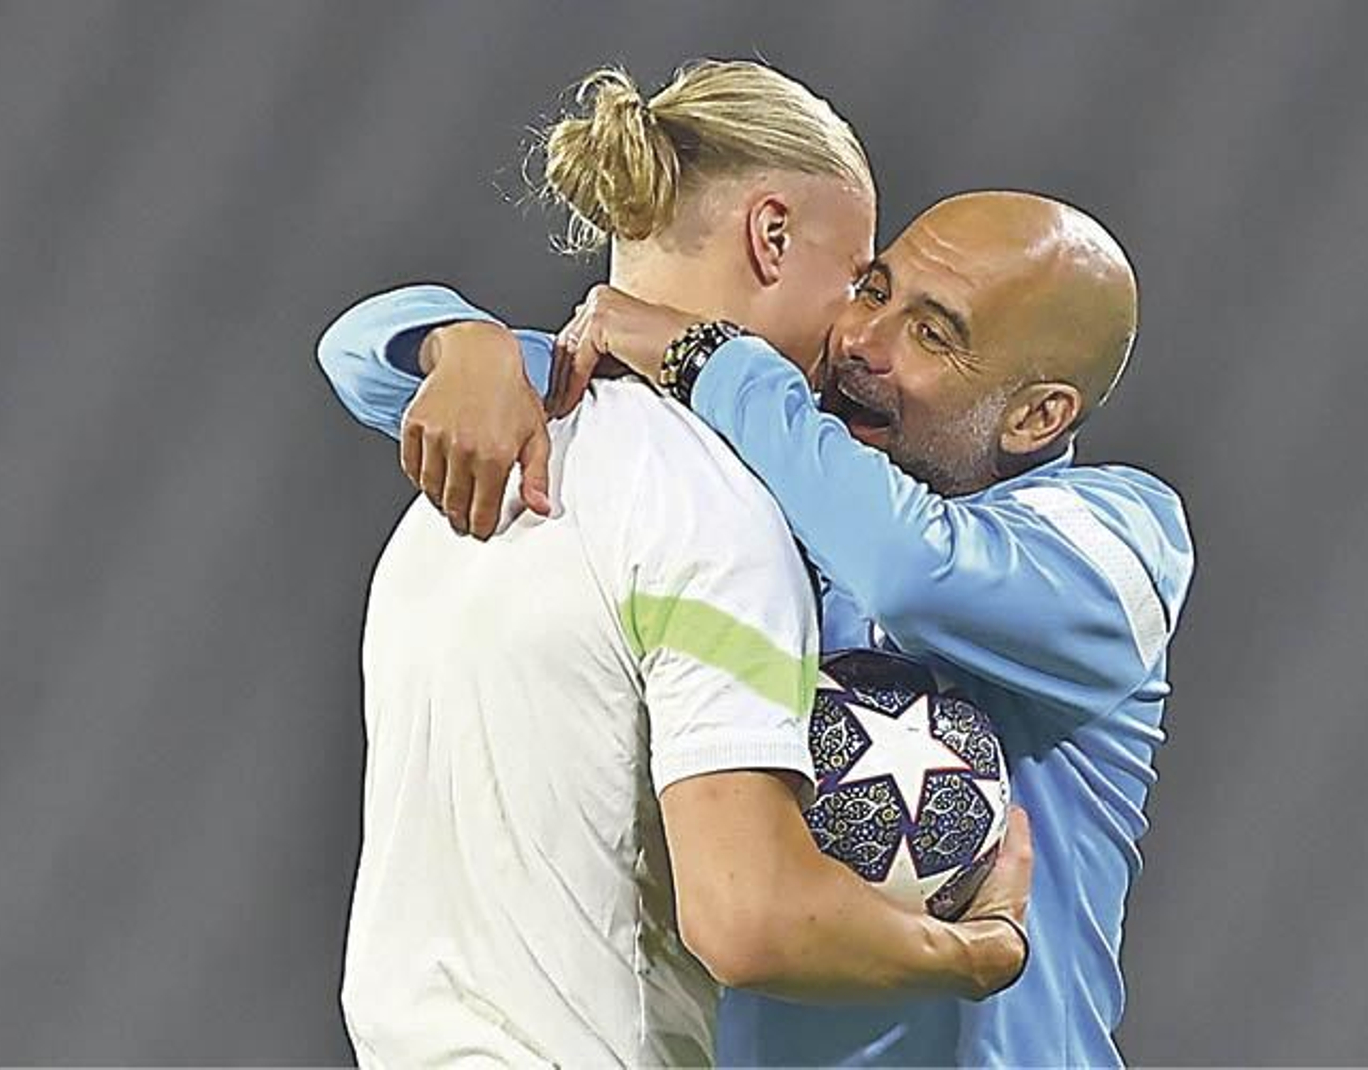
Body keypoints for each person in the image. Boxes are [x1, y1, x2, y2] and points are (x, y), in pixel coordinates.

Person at [323, 60, 1031, 1069]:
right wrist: (968, 949)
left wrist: (460, 340)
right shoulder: (712, 506)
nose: (859, 332)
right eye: (860, 274)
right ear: (771, 234)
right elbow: (749, 914)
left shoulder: (468, 472)